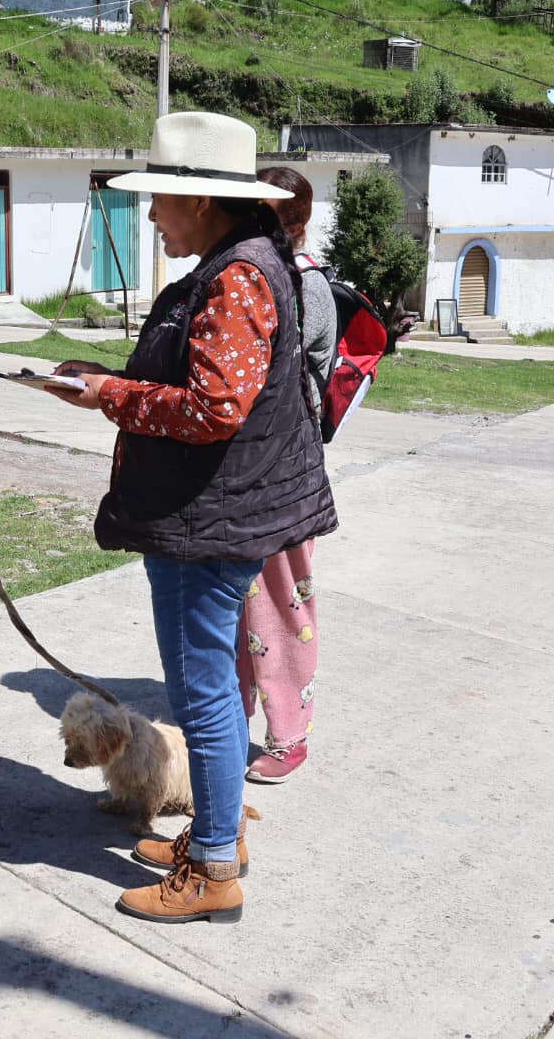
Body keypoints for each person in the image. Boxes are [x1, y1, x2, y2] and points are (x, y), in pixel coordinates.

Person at [48, 113, 338, 923]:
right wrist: (107, 380)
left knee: (205, 694)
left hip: (212, 521)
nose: (151, 218)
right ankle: (217, 835)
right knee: (202, 686)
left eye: (161, 202)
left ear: (202, 203)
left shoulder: (237, 276)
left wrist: (108, 394)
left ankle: (213, 869)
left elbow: (215, 409)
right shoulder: (241, 262)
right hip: (212, 515)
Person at [235, 166, 334, 785]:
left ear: (292, 224)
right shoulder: (251, 273)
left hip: (285, 477)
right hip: (243, 479)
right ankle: (230, 717)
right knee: (237, 611)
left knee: (281, 605)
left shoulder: (302, 286)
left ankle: (289, 734)